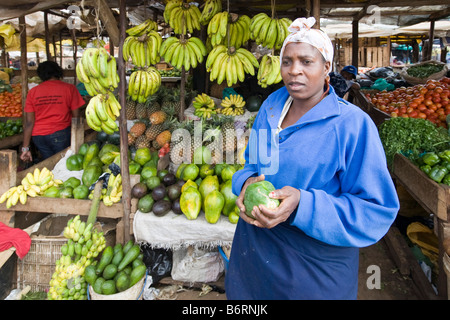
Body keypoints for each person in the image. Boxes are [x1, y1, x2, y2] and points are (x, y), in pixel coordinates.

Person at [226, 17, 399, 300]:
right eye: (287, 61)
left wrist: (303, 205)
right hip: (255, 257)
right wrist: (244, 184)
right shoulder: (271, 106)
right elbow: (252, 165)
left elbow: (375, 211)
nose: (294, 71)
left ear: (327, 67)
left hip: (312, 270)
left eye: (307, 62)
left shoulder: (352, 124)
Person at [20, 61, 85, 163]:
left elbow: (29, 123)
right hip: (61, 133)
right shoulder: (69, 88)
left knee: (49, 162)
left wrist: (25, 148)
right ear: (58, 72)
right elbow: (76, 116)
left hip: (38, 137)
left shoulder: (33, 92)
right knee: (62, 163)